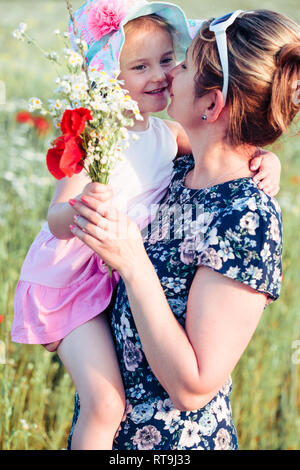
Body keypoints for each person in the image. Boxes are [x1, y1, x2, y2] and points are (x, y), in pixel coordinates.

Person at [12, 1, 281, 450]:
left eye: (178, 62)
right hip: (80, 306)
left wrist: (263, 156)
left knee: (105, 404)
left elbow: (194, 388)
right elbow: (64, 214)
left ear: (212, 102)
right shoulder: (170, 168)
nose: (167, 74)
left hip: (175, 443)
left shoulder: (242, 215)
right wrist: (81, 212)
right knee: (102, 404)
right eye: (143, 65)